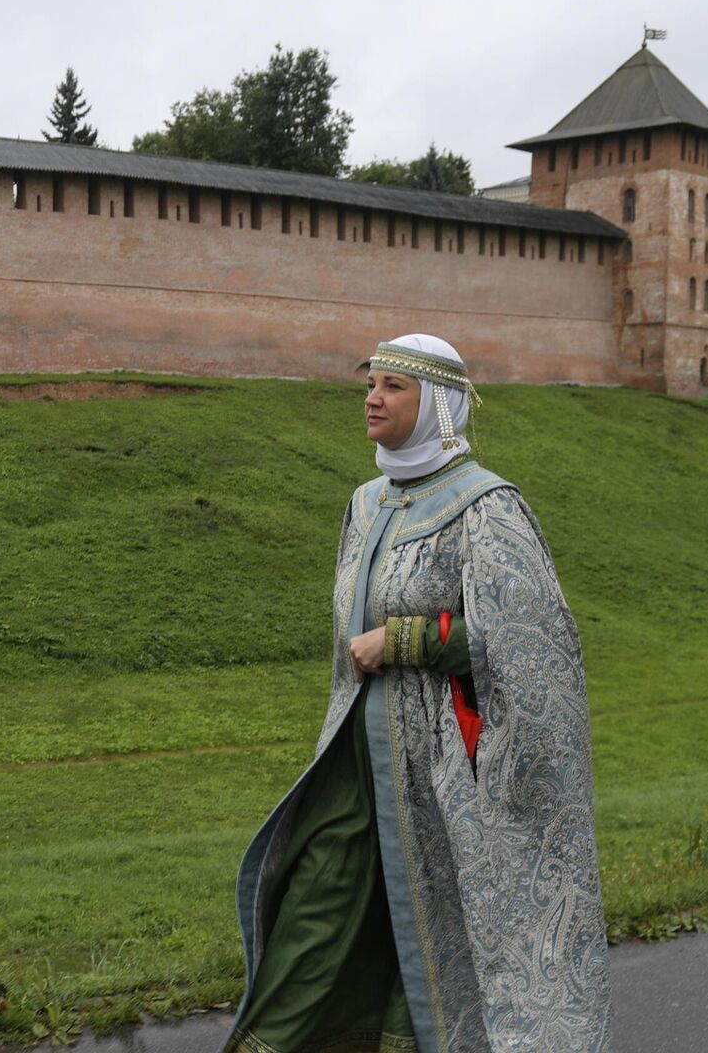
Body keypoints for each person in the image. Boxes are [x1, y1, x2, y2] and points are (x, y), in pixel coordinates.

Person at [224, 334, 610, 1053]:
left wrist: (408, 641)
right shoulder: (366, 503)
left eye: (395, 386)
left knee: (430, 936)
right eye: (371, 383)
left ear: (437, 404)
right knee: (315, 911)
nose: (373, 396)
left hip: (440, 776)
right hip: (355, 761)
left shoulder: (485, 507)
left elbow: (530, 647)